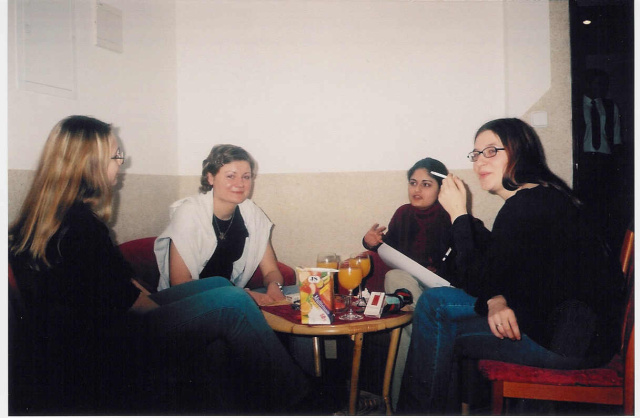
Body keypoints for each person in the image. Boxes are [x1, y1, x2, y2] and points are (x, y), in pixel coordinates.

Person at [8, 116, 309, 415]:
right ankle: (299, 401)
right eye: (115, 155)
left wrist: (180, 306)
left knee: (219, 286)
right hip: (103, 344)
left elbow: (119, 286)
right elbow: (133, 304)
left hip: (104, 327)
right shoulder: (82, 227)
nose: (121, 163)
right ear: (88, 163)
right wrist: (190, 315)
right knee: (232, 300)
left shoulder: (62, 219)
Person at [397, 118, 624, 414]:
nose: (480, 161)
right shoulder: (539, 196)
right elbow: (506, 272)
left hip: (567, 342)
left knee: (434, 307)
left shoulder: (527, 204)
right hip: (569, 331)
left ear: (519, 151)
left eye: (491, 151)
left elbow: (480, 278)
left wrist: (458, 215)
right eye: (476, 154)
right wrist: (496, 297)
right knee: (438, 310)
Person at [361, 157, 454, 409]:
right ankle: (397, 406)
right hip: (409, 290)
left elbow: (460, 264)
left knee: (404, 325)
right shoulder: (403, 213)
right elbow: (389, 251)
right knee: (395, 277)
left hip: (438, 292)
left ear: (440, 188)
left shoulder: (450, 216)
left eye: (426, 184)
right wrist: (371, 243)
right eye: (413, 183)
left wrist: (437, 269)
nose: (417, 189)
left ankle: (394, 406)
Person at [154, 144, 290, 306]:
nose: (240, 183)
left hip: (230, 299)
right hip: (186, 302)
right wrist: (243, 295)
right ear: (210, 178)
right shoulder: (189, 213)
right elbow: (180, 282)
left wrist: (275, 287)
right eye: (231, 176)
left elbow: (271, 270)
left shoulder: (252, 214)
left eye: (246, 177)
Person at [576, 68, 627, 254]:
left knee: (604, 204)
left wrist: (617, 164)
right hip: (585, 160)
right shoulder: (575, 105)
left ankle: (605, 245)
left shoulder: (610, 106)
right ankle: (587, 244)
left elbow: (616, 137)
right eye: (598, 83)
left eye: (604, 84)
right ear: (588, 84)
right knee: (585, 203)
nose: (602, 88)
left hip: (605, 160)